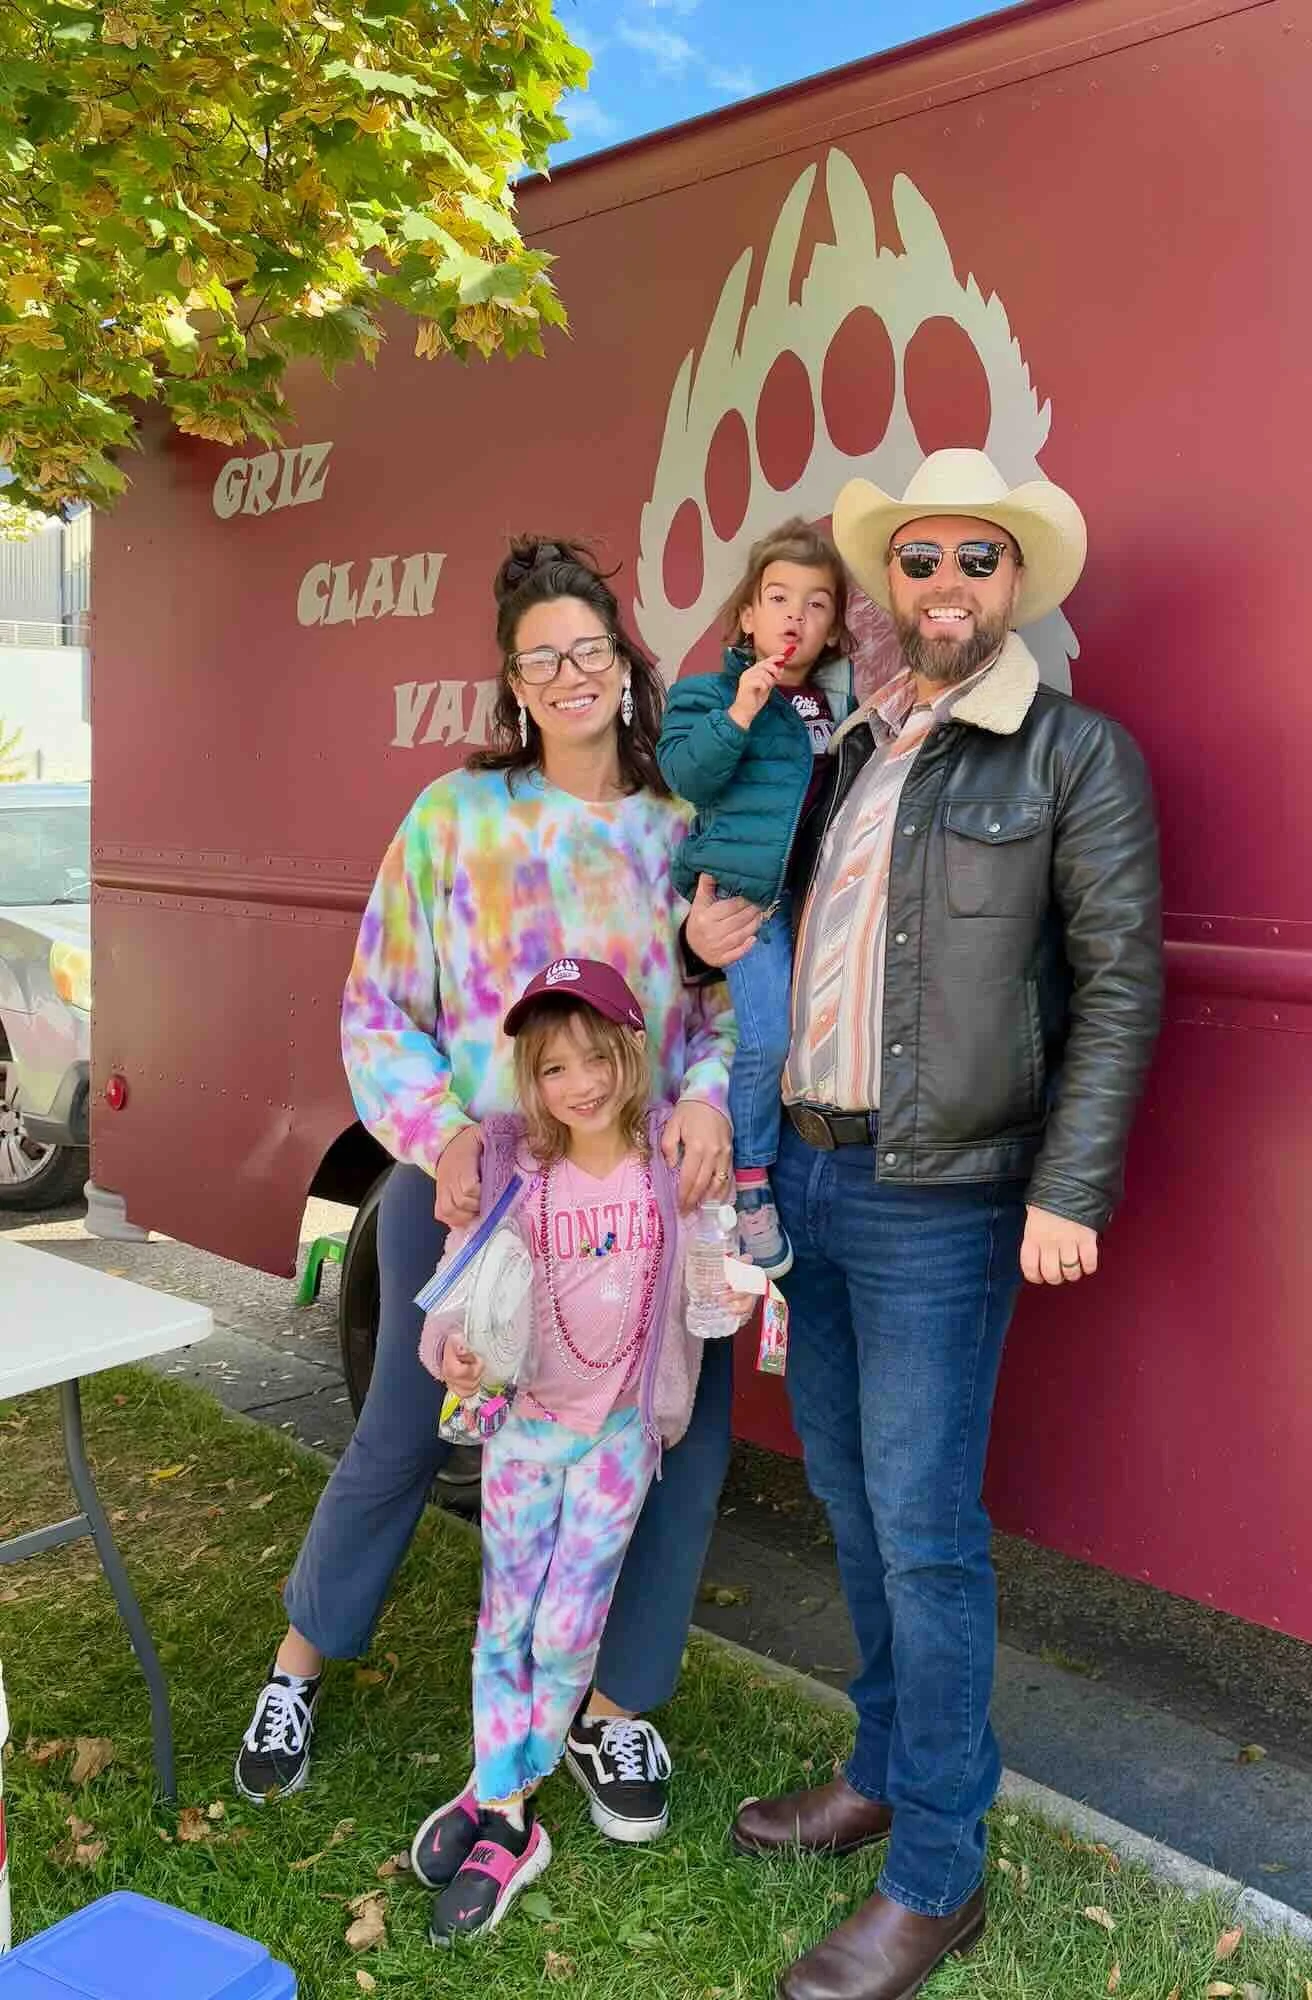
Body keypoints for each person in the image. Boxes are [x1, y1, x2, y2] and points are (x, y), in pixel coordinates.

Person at [724, 449, 1164, 2000]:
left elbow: (1119, 986)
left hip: (943, 1202)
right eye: (918, 563)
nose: (946, 587)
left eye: (978, 560)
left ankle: (938, 1874)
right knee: (849, 1500)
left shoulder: (1073, 756)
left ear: (1018, 583)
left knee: (924, 1531)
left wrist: (1068, 1187)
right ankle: (882, 1771)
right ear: (887, 588)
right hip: (816, 1181)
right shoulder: (846, 746)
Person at [234, 539, 739, 1849]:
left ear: (626, 666)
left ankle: (614, 1708)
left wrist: (704, 1099)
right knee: (405, 1430)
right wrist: (441, 1136)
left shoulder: (681, 831)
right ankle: (298, 1664)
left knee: (673, 1447)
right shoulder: (453, 820)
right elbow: (378, 1010)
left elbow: (729, 1011)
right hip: (476, 1202)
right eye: (541, 659)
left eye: (590, 650)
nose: (571, 675)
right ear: (514, 685)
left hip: (640, 1213)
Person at [409, 958, 716, 1944]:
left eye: (595, 1057)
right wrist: (449, 1347)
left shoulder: (666, 1166)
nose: (578, 1083)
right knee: (505, 1617)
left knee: (564, 1627)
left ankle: (508, 1797)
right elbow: (458, 1291)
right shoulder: (514, 1169)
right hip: (523, 1427)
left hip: (618, 1438)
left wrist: (737, 1283)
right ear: (530, 1083)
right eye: (552, 1069)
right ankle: (502, 1799)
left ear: (631, 1050)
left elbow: (715, 1275)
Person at [658, 520, 857, 1278]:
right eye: (777, 598)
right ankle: (749, 1187)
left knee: (811, 1049)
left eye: (815, 604)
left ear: (833, 626)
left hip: (817, 911)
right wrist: (741, 710)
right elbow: (688, 776)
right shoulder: (706, 696)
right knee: (766, 1039)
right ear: (746, 613)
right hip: (748, 905)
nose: (793, 618)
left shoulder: (842, 710)